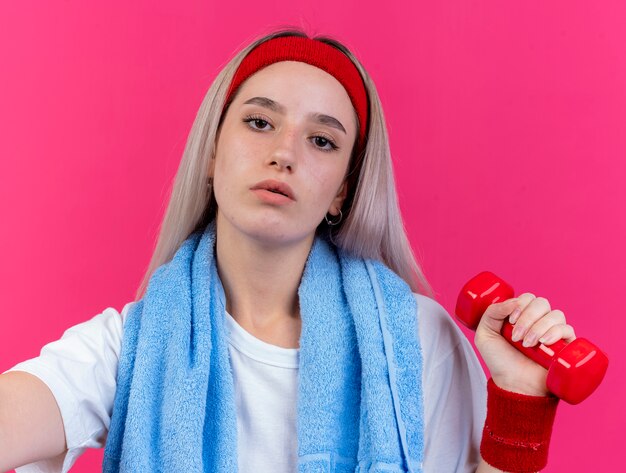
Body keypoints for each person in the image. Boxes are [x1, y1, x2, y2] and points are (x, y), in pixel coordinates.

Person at [0, 28, 575, 473]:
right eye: (258, 122)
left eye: (322, 140)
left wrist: (519, 399)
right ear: (211, 154)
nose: (284, 153)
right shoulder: (130, 348)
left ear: (341, 192)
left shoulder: (415, 337)